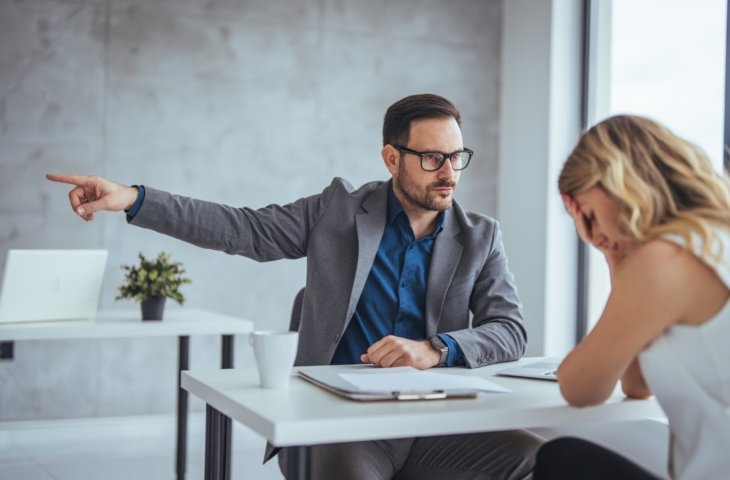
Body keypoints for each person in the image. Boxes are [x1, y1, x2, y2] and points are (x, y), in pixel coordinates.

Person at [47, 94, 543, 480]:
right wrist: (134, 198)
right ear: (392, 158)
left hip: (436, 422)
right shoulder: (337, 212)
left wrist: (435, 351)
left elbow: (510, 330)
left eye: (457, 157)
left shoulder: (480, 236)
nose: (449, 174)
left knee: (537, 459)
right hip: (341, 424)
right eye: (433, 158)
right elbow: (240, 228)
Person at [534, 115, 730, 480]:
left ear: (617, 181)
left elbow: (581, 388)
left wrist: (616, 257)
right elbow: (637, 385)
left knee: (562, 457)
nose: (590, 234)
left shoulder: (665, 260)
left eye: (588, 215)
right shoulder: (711, 239)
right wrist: (616, 255)